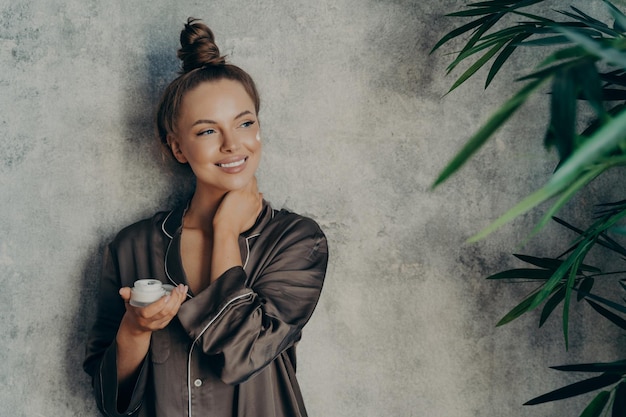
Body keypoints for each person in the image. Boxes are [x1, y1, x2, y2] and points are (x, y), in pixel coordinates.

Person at [83, 17, 328, 417]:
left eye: (245, 123)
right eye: (207, 131)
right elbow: (111, 401)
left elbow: (241, 352)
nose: (233, 144)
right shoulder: (130, 247)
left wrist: (226, 230)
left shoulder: (298, 240)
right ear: (178, 148)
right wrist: (136, 329)